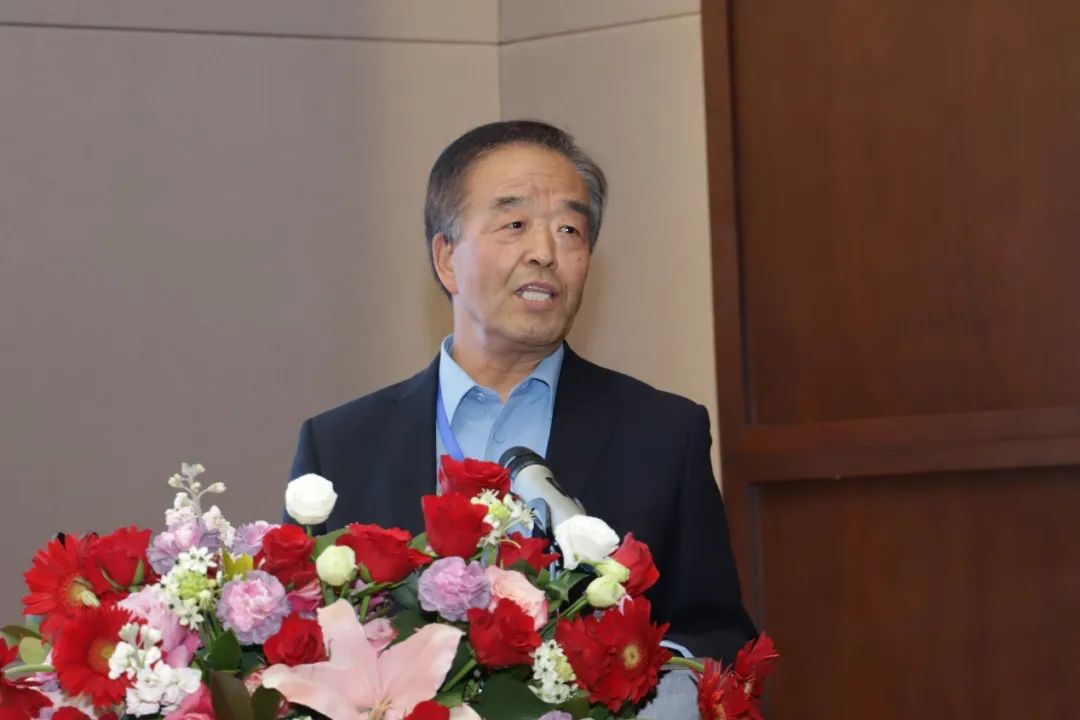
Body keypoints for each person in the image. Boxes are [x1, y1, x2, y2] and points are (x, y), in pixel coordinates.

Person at [288, 120, 756, 663]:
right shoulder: (340, 447)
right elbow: (296, 646)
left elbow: (718, 639)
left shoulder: (662, 435)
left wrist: (638, 676)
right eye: (515, 224)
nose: (545, 252)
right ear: (446, 258)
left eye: (569, 230)